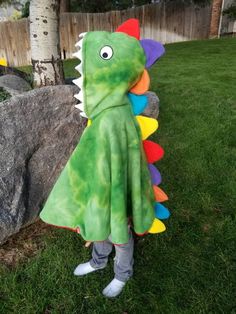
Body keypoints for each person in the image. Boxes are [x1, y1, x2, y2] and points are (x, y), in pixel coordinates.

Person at [40, 19, 169, 298]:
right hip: (101, 186)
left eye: (105, 56)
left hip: (116, 187)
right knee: (99, 225)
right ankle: (98, 262)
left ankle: (122, 274)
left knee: (118, 231)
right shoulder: (105, 111)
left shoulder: (115, 116)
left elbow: (121, 159)